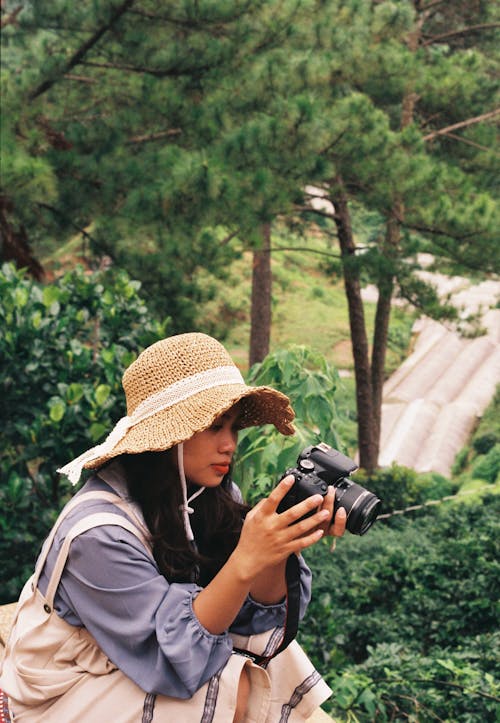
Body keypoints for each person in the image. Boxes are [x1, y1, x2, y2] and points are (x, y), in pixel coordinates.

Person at [0, 332, 346, 722]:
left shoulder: (203, 493)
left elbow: (252, 618)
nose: (229, 444)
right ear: (170, 436)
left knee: (278, 662)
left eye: (233, 427)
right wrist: (246, 558)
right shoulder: (98, 534)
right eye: (215, 426)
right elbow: (174, 658)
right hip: (66, 684)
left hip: (137, 656)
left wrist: (278, 548)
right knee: (239, 688)